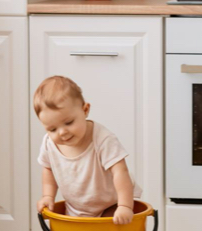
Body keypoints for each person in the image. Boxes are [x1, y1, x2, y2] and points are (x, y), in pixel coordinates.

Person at [34, 75, 142, 223]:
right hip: (76, 208)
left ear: (85, 110)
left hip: (112, 204)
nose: (62, 132)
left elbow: (120, 172)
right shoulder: (49, 144)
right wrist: (48, 196)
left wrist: (125, 206)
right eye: (52, 129)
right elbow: (48, 169)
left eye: (69, 122)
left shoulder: (103, 139)